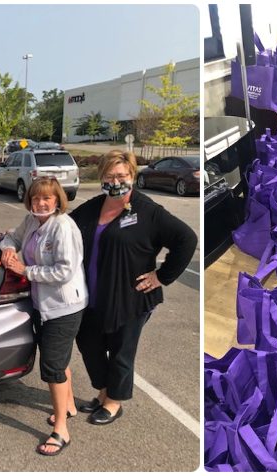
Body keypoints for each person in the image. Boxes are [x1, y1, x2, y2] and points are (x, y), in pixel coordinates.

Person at [69, 150, 197, 425]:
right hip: (91, 296)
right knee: (89, 345)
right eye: (109, 176)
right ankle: (104, 392)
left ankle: (114, 402)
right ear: (101, 176)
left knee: (121, 351)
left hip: (129, 297)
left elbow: (186, 238)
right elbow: (63, 226)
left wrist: (162, 277)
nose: (115, 181)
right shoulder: (93, 207)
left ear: (132, 176)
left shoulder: (147, 210)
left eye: (122, 175)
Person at [0, 177, 87, 456]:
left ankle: (61, 429)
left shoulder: (63, 227)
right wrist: (9, 249)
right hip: (42, 304)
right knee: (59, 360)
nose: (40, 203)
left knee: (51, 366)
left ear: (57, 200)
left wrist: (25, 271)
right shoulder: (32, 220)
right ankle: (70, 406)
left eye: (47, 198)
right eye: (36, 198)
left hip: (63, 307)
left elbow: (64, 271)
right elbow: (12, 236)